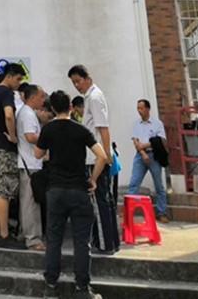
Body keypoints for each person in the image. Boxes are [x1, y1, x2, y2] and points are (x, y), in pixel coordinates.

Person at [35, 90, 108, 299]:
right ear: (70, 107)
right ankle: (82, 288)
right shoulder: (81, 129)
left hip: (56, 190)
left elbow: (37, 154)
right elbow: (102, 156)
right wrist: (93, 179)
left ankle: (50, 286)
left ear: (52, 108)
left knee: (54, 239)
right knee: (82, 242)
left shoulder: (48, 129)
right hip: (79, 190)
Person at [68, 65, 120, 254]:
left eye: (78, 81)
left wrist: (106, 155)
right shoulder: (90, 97)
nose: (76, 85)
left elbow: (103, 128)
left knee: (99, 202)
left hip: (97, 158)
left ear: (87, 78)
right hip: (96, 156)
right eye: (73, 83)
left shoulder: (95, 97)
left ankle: (105, 245)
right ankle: (111, 241)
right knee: (105, 200)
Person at [0, 62, 26, 248]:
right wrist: (13, 136)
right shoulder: (6, 93)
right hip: (4, 148)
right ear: (9, 76)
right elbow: (9, 115)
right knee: (4, 192)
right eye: (18, 79)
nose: (19, 83)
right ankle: (4, 234)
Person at [128, 98, 169, 223]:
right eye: (138, 108)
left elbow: (161, 140)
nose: (139, 111)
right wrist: (142, 153)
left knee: (159, 185)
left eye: (141, 108)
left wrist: (145, 145)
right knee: (134, 184)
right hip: (140, 156)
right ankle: (130, 213)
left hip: (154, 155)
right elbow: (135, 141)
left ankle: (162, 212)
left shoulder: (157, 124)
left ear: (147, 109)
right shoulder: (136, 124)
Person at [17, 84, 46, 251]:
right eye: (41, 96)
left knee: (29, 202)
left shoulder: (28, 112)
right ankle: (32, 239)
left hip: (31, 163)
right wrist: (46, 138)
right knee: (30, 203)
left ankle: (26, 233)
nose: (43, 100)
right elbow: (30, 136)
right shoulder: (27, 113)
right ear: (33, 97)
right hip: (30, 164)